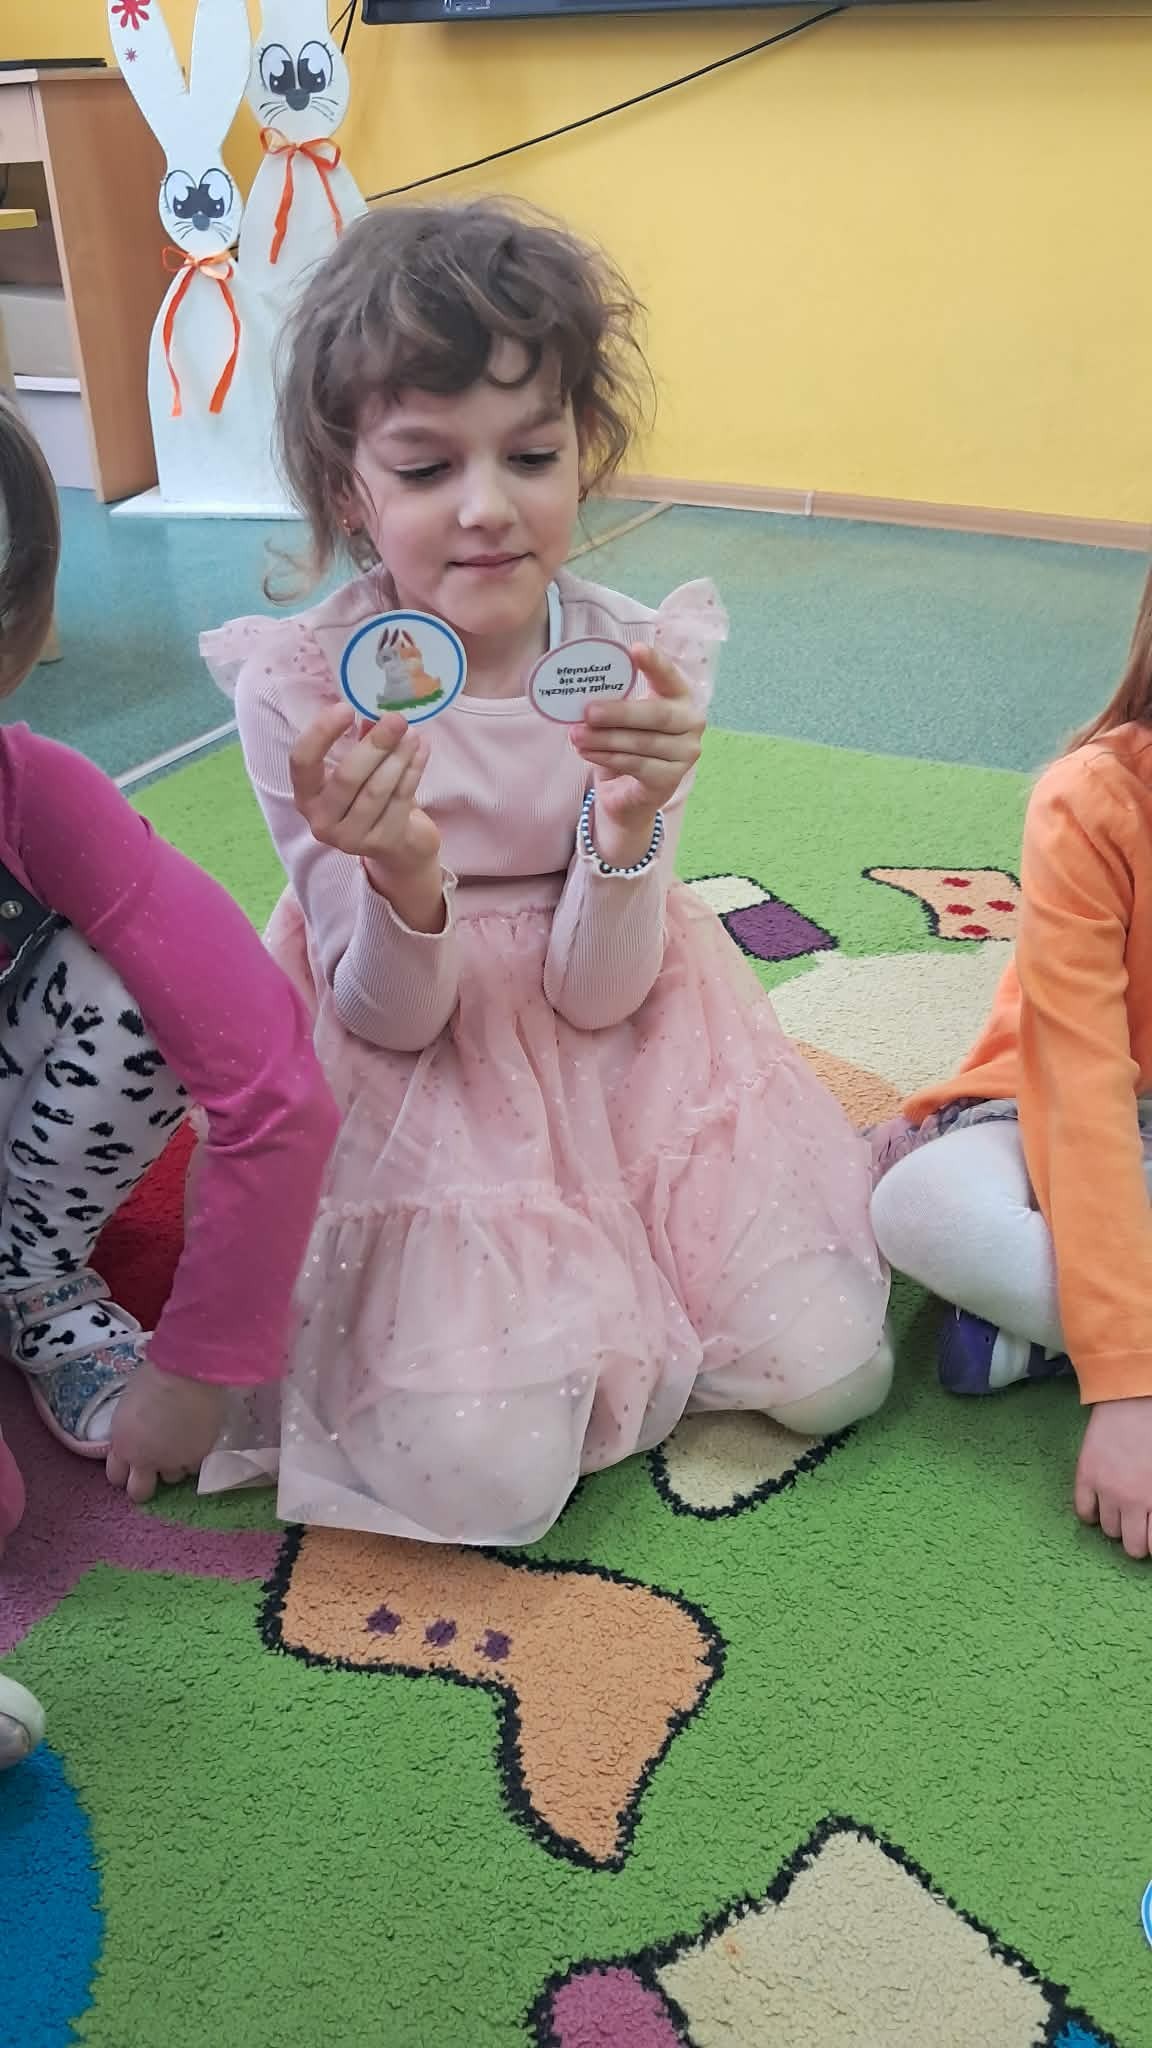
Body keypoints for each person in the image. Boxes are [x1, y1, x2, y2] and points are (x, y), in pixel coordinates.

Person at [201, 199, 891, 1546]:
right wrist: (403, 872)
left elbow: (600, 995)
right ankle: (550, 1336)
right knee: (482, 1481)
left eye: (531, 453)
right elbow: (391, 1017)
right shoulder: (304, 692)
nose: (488, 508)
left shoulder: (635, 659)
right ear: (347, 488)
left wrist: (629, 824)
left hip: (625, 1042)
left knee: (834, 1370)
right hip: (418, 1063)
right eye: (423, 467)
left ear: (584, 449)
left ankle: (642, 1298)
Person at [0, 395, 338, 1762]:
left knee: (145, 985)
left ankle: (31, 1279)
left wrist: (203, 1364)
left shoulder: (38, 792)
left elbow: (268, 1078)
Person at [872, 567, 1152, 1559]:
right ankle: (1091, 1316)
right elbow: (1081, 1090)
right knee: (919, 1205)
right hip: (1052, 1107)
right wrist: (1129, 1384)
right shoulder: (1093, 801)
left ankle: (1034, 1326)